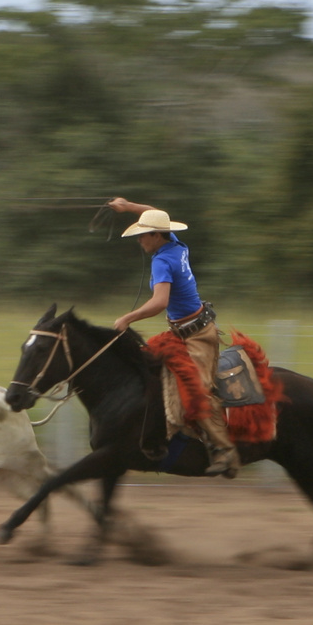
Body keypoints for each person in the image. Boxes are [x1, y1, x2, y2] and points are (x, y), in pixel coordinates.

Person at [106, 196, 240, 478]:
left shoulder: (162, 263)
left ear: (156, 236)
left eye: (143, 236)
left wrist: (127, 318)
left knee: (197, 392)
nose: (139, 241)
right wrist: (127, 206)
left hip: (198, 337)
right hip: (183, 330)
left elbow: (160, 302)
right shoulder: (175, 243)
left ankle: (225, 450)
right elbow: (155, 213)